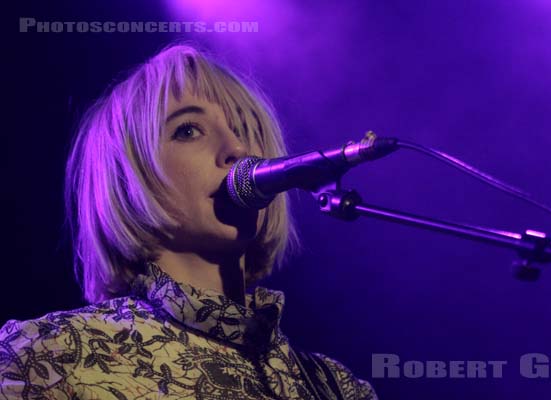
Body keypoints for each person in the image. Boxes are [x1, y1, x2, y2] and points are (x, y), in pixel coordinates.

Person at [0, 43, 377, 399]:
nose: (239, 149)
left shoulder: (336, 387)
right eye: (188, 130)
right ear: (126, 179)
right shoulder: (49, 357)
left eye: (245, 129)